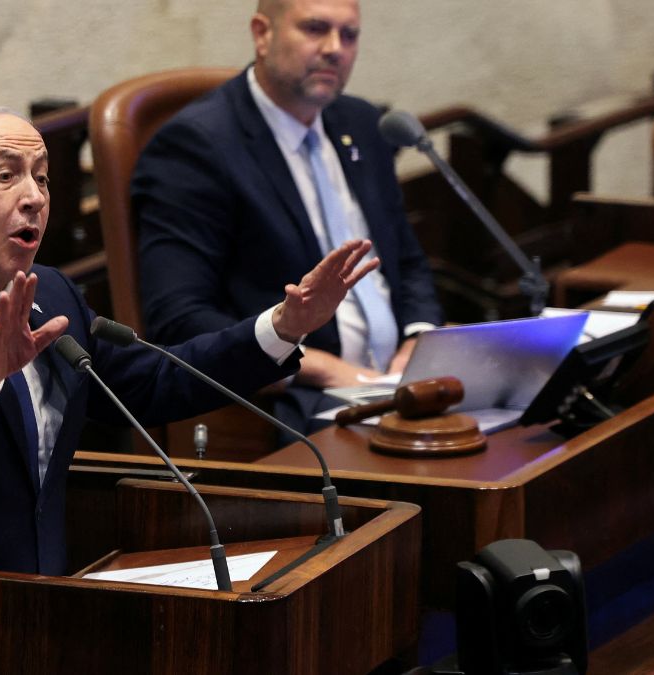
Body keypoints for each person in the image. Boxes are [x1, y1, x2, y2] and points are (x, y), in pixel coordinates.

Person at [0, 106, 377, 674]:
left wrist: (282, 328)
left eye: (41, 178)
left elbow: (151, 381)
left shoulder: (51, 292)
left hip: (27, 619)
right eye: (6, 175)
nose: (35, 197)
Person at [132, 0, 443, 438]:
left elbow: (407, 262)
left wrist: (418, 341)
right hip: (293, 404)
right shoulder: (197, 147)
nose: (335, 49)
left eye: (349, 34)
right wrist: (320, 368)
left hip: (398, 388)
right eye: (316, 29)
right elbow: (178, 319)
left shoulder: (361, 121)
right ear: (262, 34)